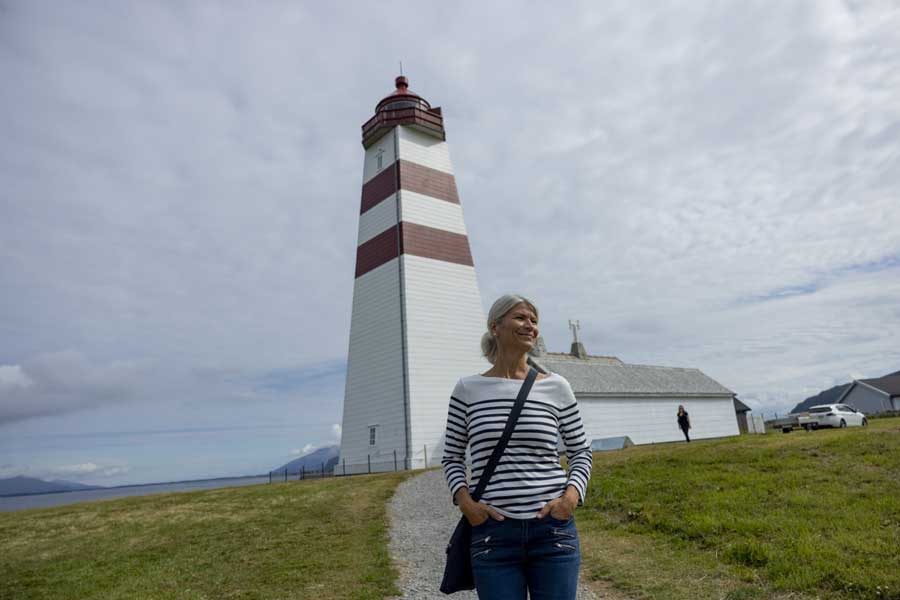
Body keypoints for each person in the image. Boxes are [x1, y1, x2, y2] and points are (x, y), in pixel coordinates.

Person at [441, 294, 593, 600]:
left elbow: (581, 450)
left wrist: (571, 498)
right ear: (495, 326)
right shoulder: (467, 390)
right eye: (521, 318)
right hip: (492, 534)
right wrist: (466, 504)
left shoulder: (557, 386)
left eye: (534, 321)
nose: (530, 326)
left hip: (553, 533)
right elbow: (452, 456)